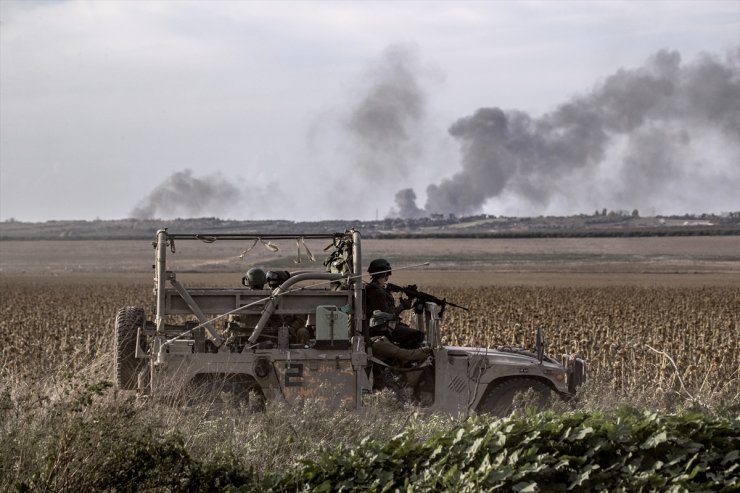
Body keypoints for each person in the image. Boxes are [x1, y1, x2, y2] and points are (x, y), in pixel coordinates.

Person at [365, 258, 425, 350]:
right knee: (418, 335)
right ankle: (403, 360)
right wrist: (403, 306)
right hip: (380, 328)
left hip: (383, 326)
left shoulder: (376, 289)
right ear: (384, 273)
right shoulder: (377, 291)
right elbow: (386, 315)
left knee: (408, 330)